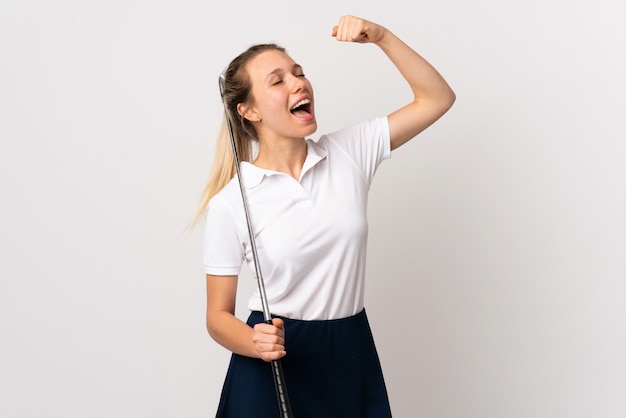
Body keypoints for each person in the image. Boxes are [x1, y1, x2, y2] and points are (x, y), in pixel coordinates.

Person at [197, 15, 455, 418]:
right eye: (278, 80)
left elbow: (437, 98)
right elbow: (218, 317)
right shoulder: (232, 203)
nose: (298, 82)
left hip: (348, 350)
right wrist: (253, 342)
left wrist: (382, 37)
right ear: (249, 111)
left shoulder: (350, 153)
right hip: (274, 359)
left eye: (298, 73)